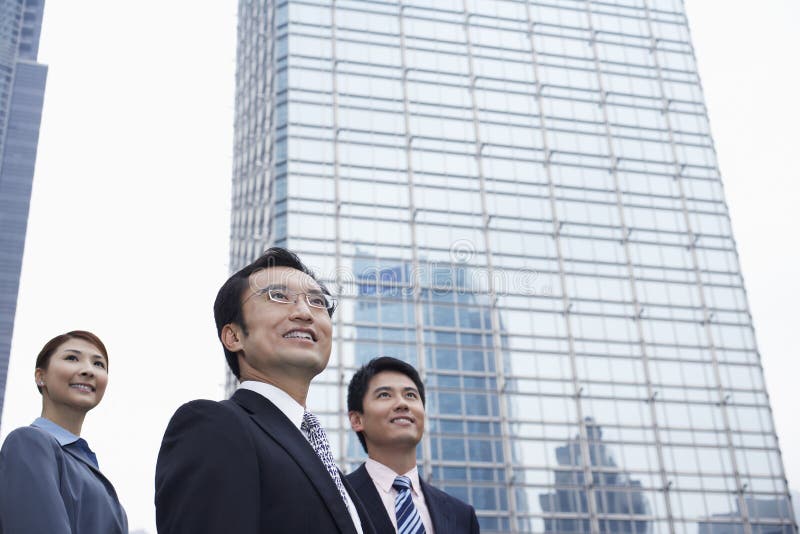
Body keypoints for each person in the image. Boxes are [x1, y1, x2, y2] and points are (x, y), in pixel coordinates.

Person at [155, 247, 375, 534]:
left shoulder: (336, 476)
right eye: (279, 296)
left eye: (317, 301)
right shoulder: (212, 426)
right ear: (233, 336)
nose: (304, 312)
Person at [0, 330, 128, 533]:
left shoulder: (96, 477)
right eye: (72, 358)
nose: (89, 371)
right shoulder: (28, 443)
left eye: (98, 364)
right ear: (40, 376)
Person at [346, 357, 480, 534]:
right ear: (357, 420)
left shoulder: (461, 515)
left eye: (410, 395)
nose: (402, 403)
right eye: (384, 395)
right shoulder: (337, 498)